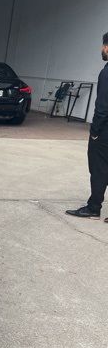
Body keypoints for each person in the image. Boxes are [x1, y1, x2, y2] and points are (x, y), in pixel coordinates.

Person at [66, 32, 108, 222]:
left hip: (105, 131)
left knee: (99, 168)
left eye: (103, 45)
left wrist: (95, 131)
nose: (102, 49)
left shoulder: (107, 71)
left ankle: (93, 207)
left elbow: (103, 106)